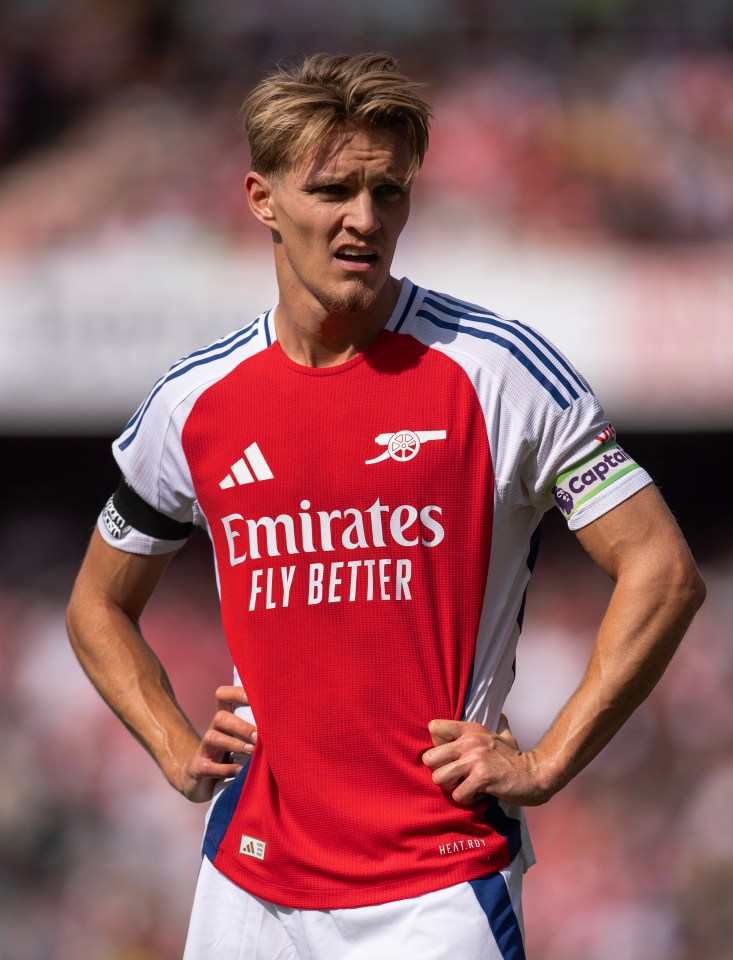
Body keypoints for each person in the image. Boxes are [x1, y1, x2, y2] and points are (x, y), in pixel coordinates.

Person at [66, 51, 705, 960]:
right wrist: (171, 742)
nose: (363, 220)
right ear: (261, 198)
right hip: (248, 884)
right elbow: (97, 602)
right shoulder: (193, 402)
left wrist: (547, 760)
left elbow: (663, 571)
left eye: (388, 193)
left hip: (436, 885)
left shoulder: (499, 371)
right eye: (332, 190)